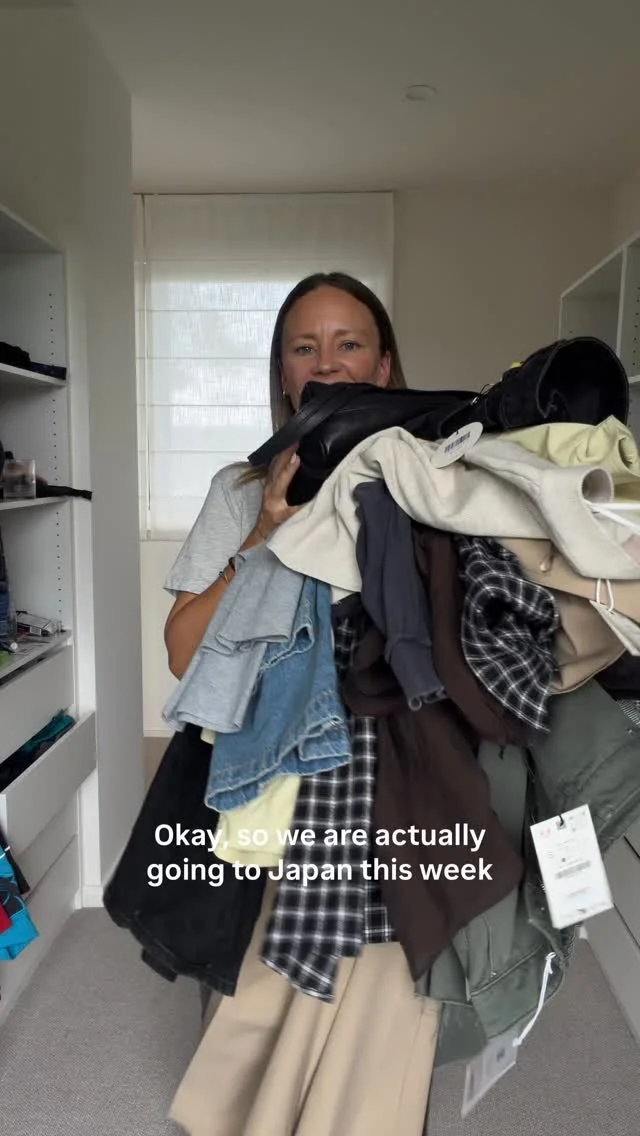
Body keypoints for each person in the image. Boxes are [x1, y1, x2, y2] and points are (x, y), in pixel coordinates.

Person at [163, 272, 440, 1136]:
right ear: (283, 373)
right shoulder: (239, 489)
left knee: (388, 985)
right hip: (272, 767)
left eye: (348, 343)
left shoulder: (434, 479)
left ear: (384, 365)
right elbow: (182, 651)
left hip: (402, 769)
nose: (327, 362)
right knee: (261, 977)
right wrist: (263, 537)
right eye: (304, 346)